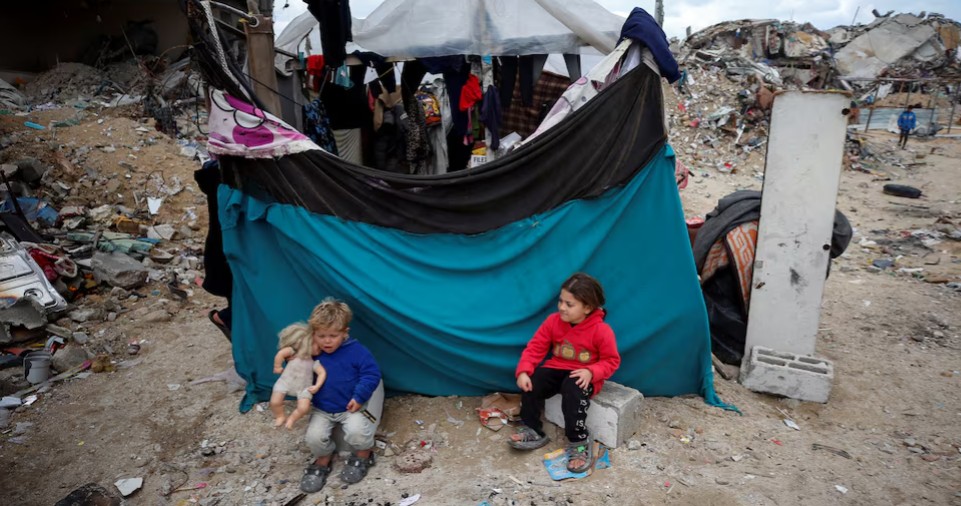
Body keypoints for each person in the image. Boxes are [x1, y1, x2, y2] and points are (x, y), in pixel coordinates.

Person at [508, 273, 621, 473]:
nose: (562, 307)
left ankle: (578, 441)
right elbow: (535, 348)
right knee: (534, 380)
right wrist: (524, 371)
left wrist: (591, 371)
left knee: (573, 389)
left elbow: (611, 361)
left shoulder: (602, 331)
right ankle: (533, 428)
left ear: (587, 308)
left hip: (582, 374)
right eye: (561, 301)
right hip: (558, 367)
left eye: (569, 304)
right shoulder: (553, 321)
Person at [300, 298, 382, 493]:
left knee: (357, 432)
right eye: (321, 336)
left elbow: (371, 374)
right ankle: (324, 459)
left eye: (333, 336)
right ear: (314, 334)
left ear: (344, 333)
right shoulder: (313, 353)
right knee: (314, 437)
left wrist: (359, 397)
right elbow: (297, 372)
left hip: (350, 406)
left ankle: (363, 455)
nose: (327, 341)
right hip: (323, 408)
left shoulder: (356, 352)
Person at [270, 323, 327, 429]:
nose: (320, 349)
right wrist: (277, 366)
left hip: (304, 387)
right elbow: (280, 354)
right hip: (286, 382)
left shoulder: (314, 362)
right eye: (317, 346)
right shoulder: (294, 352)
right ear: (308, 342)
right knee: (275, 401)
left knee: (304, 408)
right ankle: (280, 416)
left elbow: (322, 373)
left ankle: (292, 418)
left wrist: (317, 386)